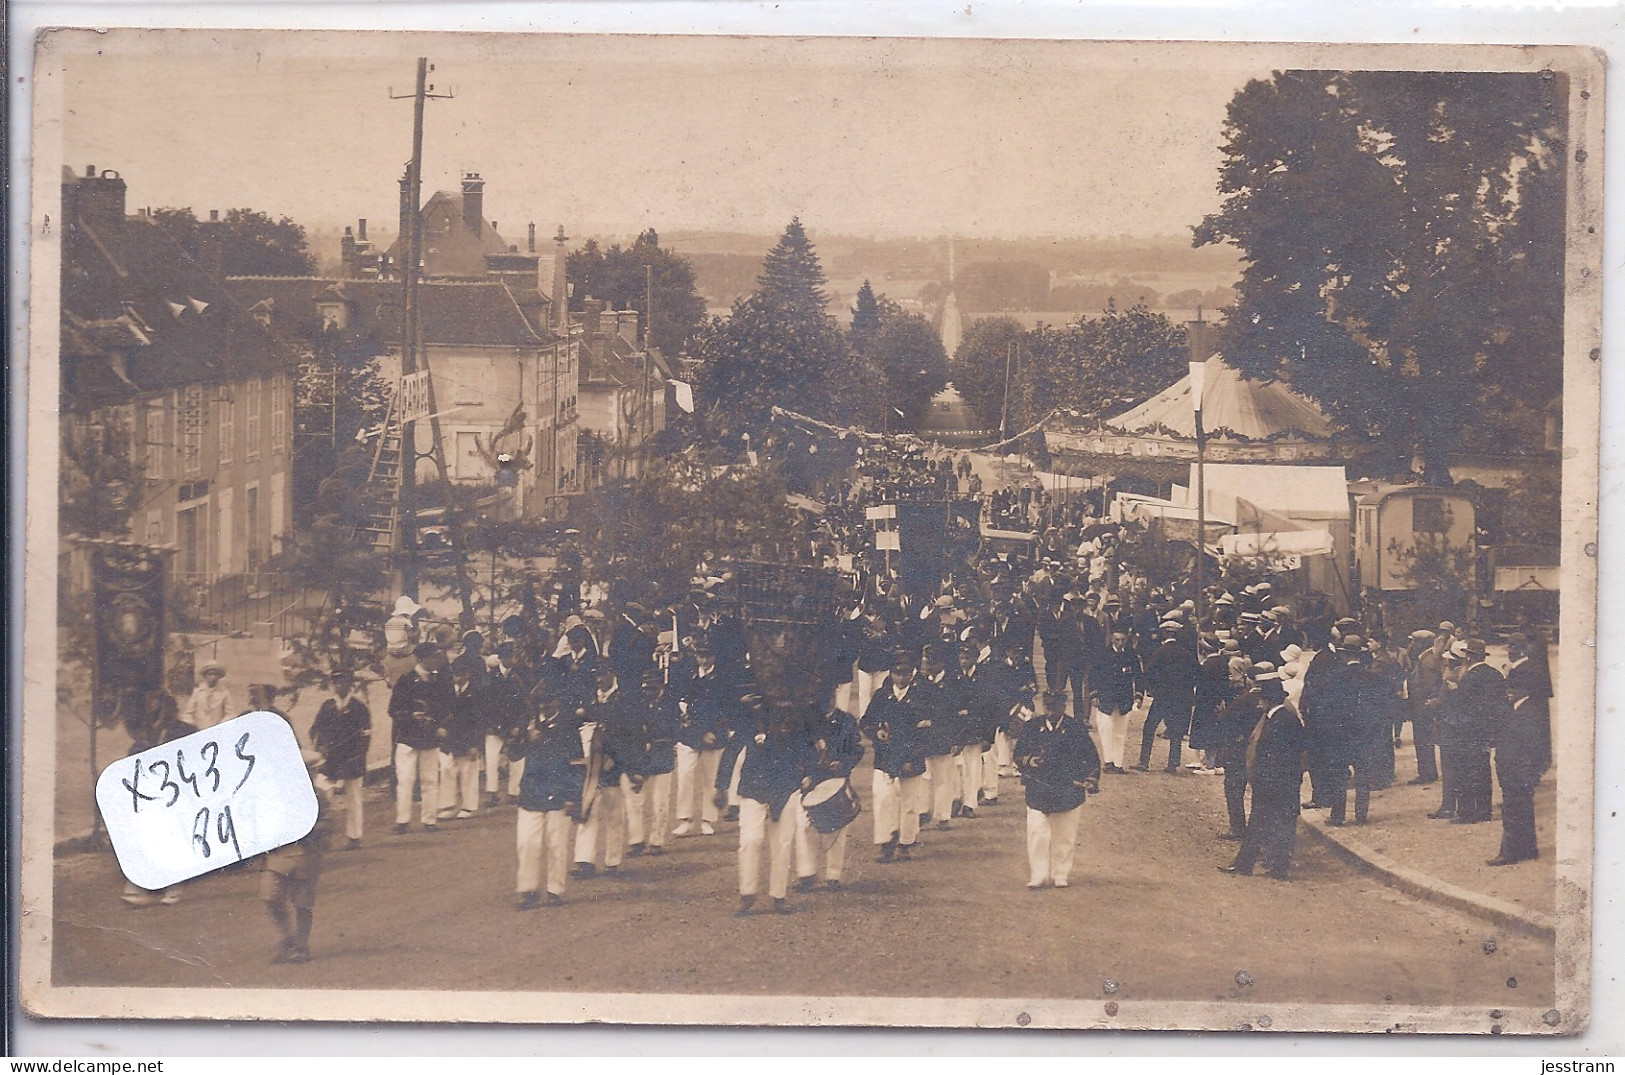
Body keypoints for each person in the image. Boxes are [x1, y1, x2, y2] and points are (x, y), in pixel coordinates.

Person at [1221, 669, 1307, 880]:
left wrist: (1267, 779)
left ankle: (1270, 867)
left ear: (1268, 700)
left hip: (1276, 782)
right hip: (1273, 782)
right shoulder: (1277, 718)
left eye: (1261, 699)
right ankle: (1259, 865)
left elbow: (1285, 754)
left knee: (1276, 824)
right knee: (1264, 824)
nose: (1258, 703)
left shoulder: (1281, 721)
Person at [1014, 690, 1101, 889]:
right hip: (1038, 789)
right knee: (1037, 833)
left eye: (1055, 706)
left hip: (1067, 789)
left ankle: (1060, 874)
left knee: (1065, 835)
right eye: (1048, 706)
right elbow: (1018, 754)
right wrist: (1029, 761)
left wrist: (1091, 780)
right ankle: (1038, 874)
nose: (1051, 710)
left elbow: (1091, 758)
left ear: (1064, 707)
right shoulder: (1031, 727)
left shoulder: (1075, 728)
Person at [736, 703, 817, 915]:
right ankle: (747, 894)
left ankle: (778, 895)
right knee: (750, 839)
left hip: (785, 786)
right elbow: (732, 748)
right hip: (754, 785)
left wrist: (809, 773)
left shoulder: (798, 715)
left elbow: (808, 747)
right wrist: (720, 786)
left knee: (782, 842)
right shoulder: (750, 713)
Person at [514, 679, 586, 908]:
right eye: (540, 703)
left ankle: (555, 889)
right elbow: (513, 754)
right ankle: (528, 890)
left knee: (556, 844)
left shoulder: (568, 728)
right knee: (527, 843)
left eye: (548, 702)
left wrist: (574, 797)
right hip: (532, 792)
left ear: (557, 702)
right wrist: (525, 737)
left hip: (558, 791)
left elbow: (577, 764)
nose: (544, 707)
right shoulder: (529, 724)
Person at [572, 666, 646, 878]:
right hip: (592, 766)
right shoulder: (590, 700)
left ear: (612, 674)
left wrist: (619, 760)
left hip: (614, 766)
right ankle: (584, 861)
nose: (598, 679)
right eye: (595, 675)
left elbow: (632, 736)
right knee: (587, 810)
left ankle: (612, 861)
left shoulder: (624, 701)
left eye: (602, 674)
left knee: (614, 813)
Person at [860, 650, 932, 862]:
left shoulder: (921, 696)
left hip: (912, 757)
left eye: (906, 674)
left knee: (910, 803)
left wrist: (912, 758)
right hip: (886, 756)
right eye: (897, 673)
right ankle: (885, 842)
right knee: (883, 798)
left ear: (912, 674)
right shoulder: (882, 696)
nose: (901, 678)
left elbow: (928, 732)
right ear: (890, 673)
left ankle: (905, 843)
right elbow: (866, 722)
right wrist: (876, 732)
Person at [263, 748, 332, 963]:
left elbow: (325, 824)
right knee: (270, 895)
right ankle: (287, 938)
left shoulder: (318, 796)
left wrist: (312, 835)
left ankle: (301, 947)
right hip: (280, 853)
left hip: (306, 854)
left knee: (302, 902)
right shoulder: (275, 794)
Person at [794, 701, 865, 890]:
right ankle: (806, 873)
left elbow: (857, 749)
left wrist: (843, 763)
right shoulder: (804, 719)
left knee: (837, 827)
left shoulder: (846, 720)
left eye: (828, 694)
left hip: (836, 778)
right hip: (811, 780)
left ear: (834, 693)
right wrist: (804, 773)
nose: (825, 699)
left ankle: (833, 875)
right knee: (804, 825)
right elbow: (796, 749)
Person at [388, 641, 452, 835]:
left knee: (430, 780)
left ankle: (429, 819)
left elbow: (448, 707)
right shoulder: (406, 681)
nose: (437, 660)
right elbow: (393, 710)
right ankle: (402, 820)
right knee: (406, 780)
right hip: (408, 737)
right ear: (422, 658)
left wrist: (442, 726)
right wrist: (410, 717)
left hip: (430, 736)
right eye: (434, 657)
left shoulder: (440, 681)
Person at [672, 644, 733, 837]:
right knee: (684, 774)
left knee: (711, 779)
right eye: (700, 656)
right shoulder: (688, 676)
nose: (704, 661)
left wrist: (712, 732)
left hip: (713, 735)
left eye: (707, 656)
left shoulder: (722, 679)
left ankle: (707, 820)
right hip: (690, 734)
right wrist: (696, 730)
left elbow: (724, 710)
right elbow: (682, 704)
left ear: (714, 657)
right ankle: (685, 819)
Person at [309, 670, 371, 850]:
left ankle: (354, 837)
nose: (339, 686)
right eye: (335, 682)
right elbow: (315, 729)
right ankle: (320, 837)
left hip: (352, 760)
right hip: (330, 760)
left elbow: (365, 738)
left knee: (354, 798)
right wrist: (319, 746)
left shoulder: (359, 708)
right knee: (321, 795)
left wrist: (355, 758)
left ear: (350, 684)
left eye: (343, 682)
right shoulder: (327, 706)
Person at [1449, 638, 1505, 825]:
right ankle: (1484, 811)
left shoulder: (1469, 678)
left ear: (1469, 657)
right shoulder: (1495, 674)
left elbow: (1462, 706)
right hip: (1487, 731)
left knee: (1465, 771)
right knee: (1482, 769)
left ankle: (1466, 812)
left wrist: (1454, 691)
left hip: (1467, 731)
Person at [1489, 679, 1543, 866]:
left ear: (1524, 689)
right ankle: (1528, 848)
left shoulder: (1523, 712)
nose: (1509, 692)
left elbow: (1526, 745)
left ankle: (1509, 852)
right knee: (1523, 808)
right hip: (1519, 769)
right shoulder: (1524, 709)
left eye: (1514, 688)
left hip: (1516, 769)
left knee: (1511, 810)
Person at [626, 667, 678, 857]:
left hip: (662, 756)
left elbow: (674, 730)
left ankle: (657, 840)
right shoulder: (639, 703)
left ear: (660, 685)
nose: (647, 691)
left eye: (651, 687)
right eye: (645, 687)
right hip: (642, 758)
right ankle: (636, 840)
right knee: (634, 800)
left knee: (660, 801)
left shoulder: (670, 704)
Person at [1136, 620, 1197, 774]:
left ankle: (1144, 762)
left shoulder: (1160, 651)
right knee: (1175, 730)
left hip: (1163, 696)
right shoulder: (1186, 653)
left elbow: (1148, 672)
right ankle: (1173, 763)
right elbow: (1197, 674)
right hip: (1181, 697)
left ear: (1165, 633)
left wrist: (1153, 689)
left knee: (1150, 727)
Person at [1090, 628, 1142, 774]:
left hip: (1123, 700)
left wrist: (1138, 696)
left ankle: (1118, 763)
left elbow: (1138, 676)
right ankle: (1108, 761)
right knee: (1105, 729)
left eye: (1122, 640)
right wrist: (1094, 695)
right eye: (1117, 640)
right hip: (1105, 699)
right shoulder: (1102, 654)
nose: (1120, 643)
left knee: (1120, 733)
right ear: (1111, 639)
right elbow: (1093, 676)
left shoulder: (1131, 655)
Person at [1404, 630, 1443, 784]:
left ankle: (1427, 773)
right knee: (1423, 740)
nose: (1411, 644)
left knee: (1423, 740)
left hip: (1422, 706)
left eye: (1414, 641)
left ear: (1422, 644)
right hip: (1421, 705)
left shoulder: (1426, 660)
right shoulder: (1425, 657)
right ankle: (1427, 772)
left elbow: (1428, 684)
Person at [182, 660, 233, 729]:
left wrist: (220, 726)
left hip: (217, 730)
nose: (213, 677)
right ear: (205, 676)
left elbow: (230, 714)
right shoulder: (197, 692)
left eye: (216, 674)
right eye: (210, 674)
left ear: (219, 677)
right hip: (199, 730)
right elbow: (187, 714)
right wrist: (192, 726)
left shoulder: (224, 693)